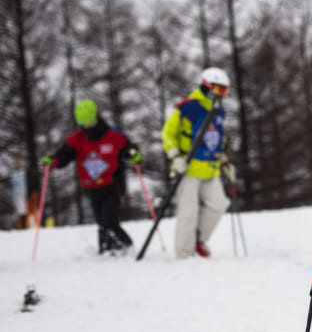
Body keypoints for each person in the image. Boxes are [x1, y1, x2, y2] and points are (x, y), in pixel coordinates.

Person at [42, 99, 141, 254]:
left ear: (96, 117)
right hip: (91, 188)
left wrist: (133, 155)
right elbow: (63, 156)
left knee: (109, 221)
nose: (88, 127)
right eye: (84, 124)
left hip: (112, 186)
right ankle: (106, 251)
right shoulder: (77, 140)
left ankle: (127, 246)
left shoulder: (114, 136)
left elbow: (129, 149)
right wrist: (53, 161)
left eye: (90, 122)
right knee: (102, 223)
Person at [161, 67, 235, 259]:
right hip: (189, 169)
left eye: (225, 91)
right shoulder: (188, 107)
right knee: (188, 212)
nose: (223, 95)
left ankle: (198, 240)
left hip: (211, 169)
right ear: (209, 87)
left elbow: (217, 138)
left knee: (219, 204)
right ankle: (184, 254)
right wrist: (175, 157)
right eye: (221, 90)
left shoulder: (218, 111)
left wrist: (225, 161)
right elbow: (168, 133)